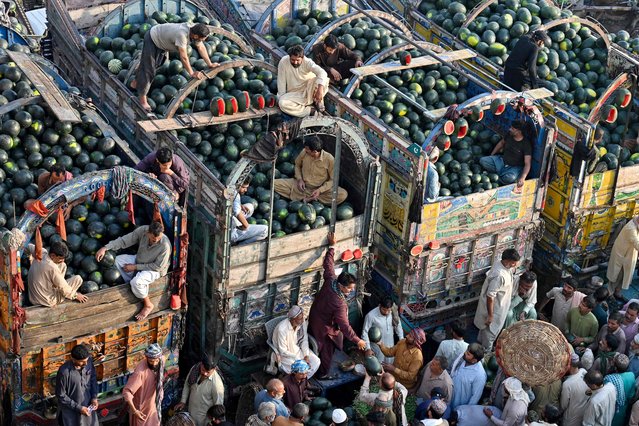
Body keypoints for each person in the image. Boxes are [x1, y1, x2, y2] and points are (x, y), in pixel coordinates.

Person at [308, 231, 367, 379]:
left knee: (313, 345)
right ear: (341, 286)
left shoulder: (331, 280)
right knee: (327, 351)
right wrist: (358, 340)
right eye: (349, 288)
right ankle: (322, 375)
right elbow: (345, 326)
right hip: (325, 329)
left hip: (314, 317)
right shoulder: (339, 304)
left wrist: (332, 247)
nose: (351, 290)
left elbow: (328, 264)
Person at [95, 221, 171, 321]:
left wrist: (135, 267)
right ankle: (132, 285)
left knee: (137, 282)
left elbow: (157, 267)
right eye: (153, 239)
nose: (156, 241)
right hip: (140, 260)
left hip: (154, 269)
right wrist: (105, 248)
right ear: (148, 233)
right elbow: (124, 241)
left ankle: (147, 304)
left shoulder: (165, 246)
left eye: (158, 239)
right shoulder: (143, 230)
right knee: (117, 261)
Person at [133, 23, 216, 111]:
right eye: (203, 38)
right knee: (149, 71)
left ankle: (136, 81)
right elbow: (183, 57)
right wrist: (191, 73)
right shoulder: (182, 35)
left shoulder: (194, 30)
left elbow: (201, 48)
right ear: (195, 36)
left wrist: (210, 64)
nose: (204, 40)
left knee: (158, 64)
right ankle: (142, 101)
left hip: (161, 42)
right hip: (152, 38)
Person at [274, 136, 347, 205]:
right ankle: (309, 198)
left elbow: (333, 180)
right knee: (274, 184)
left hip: (320, 191)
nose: (305, 150)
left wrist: (320, 190)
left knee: (343, 194)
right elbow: (297, 165)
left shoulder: (329, 159)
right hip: (301, 187)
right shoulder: (304, 152)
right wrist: (299, 179)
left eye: (307, 150)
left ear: (314, 151)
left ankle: (310, 198)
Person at [473, 248, 520, 351]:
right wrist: (490, 315)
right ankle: (484, 356)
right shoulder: (499, 276)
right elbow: (491, 296)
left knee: (483, 334)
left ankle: (478, 349)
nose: (515, 265)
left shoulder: (501, 264)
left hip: (501, 308)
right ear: (507, 261)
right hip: (495, 311)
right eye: (513, 263)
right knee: (489, 337)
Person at [27, 241, 87, 307]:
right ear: (53, 255)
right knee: (78, 279)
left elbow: (29, 246)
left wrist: (30, 258)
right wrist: (76, 295)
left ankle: (56, 283)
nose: (63, 260)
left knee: (63, 265)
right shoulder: (52, 268)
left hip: (33, 297)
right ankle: (58, 287)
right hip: (47, 300)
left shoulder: (41, 252)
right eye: (60, 258)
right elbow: (64, 288)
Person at [277, 45, 329, 117]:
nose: (295, 62)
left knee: (324, 80)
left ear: (302, 58)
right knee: (282, 103)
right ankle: (310, 111)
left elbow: (322, 72)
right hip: (295, 94)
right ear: (289, 57)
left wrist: (319, 90)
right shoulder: (283, 62)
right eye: (292, 60)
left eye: (297, 60)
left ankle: (318, 101)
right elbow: (281, 83)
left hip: (310, 92)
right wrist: (281, 99)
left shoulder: (307, 62)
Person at [174, 355, 224, 426]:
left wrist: (211, 423)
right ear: (201, 364)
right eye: (203, 370)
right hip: (190, 413)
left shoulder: (217, 385)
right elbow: (187, 385)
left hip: (203, 420)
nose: (205, 373)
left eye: (208, 372)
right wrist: (183, 401)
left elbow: (218, 408)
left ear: (214, 369)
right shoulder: (194, 370)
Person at [55, 344, 98, 426]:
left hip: (88, 409)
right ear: (73, 359)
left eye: (87, 360)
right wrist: (79, 408)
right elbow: (61, 395)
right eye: (82, 361)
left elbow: (93, 379)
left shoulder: (88, 363)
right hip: (70, 415)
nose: (85, 363)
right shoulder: (64, 372)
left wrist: (94, 397)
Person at [272, 305, 320, 377]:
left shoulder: (302, 323)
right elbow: (283, 351)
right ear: (293, 319)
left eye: (302, 318)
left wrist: (306, 355)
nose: (302, 320)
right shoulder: (282, 329)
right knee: (298, 368)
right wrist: (299, 359)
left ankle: (304, 380)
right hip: (285, 355)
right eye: (300, 319)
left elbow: (304, 340)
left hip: (298, 350)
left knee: (316, 361)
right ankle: (296, 381)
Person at [123, 343, 165, 426]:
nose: (154, 364)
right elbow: (127, 392)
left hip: (154, 407)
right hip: (142, 412)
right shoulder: (140, 372)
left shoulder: (161, 360)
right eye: (151, 361)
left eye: (156, 361)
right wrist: (135, 411)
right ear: (146, 358)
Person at [479, 121, 532, 186]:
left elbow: (527, 164)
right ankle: (499, 176)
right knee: (483, 161)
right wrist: (491, 155)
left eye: (512, 129)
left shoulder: (526, 144)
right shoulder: (509, 134)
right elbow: (501, 143)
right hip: (501, 161)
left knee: (510, 178)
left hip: (514, 168)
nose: (510, 129)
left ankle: (497, 178)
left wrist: (522, 178)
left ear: (519, 131)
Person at [607, 215, 639, 302]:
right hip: (622, 255)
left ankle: (617, 292)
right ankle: (609, 294)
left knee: (624, 275)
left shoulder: (636, 224)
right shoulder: (631, 228)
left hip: (629, 255)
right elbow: (637, 243)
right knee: (617, 276)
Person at [362, 297, 404, 363]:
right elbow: (365, 332)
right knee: (379, 364)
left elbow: (398, 326)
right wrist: (368, 348)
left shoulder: (393, 312)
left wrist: (401, 340)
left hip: (390, 343)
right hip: (377, 346)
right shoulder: (371, 316)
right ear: (379, 306)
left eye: (388, 310)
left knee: (390, 363)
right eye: (384, 310)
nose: (386, 312)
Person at [230, 177, 269, 245]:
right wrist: (246, 226)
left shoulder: (229, 188)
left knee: (250, 207)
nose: (246, 190)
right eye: (244, 187)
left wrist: (240, 205)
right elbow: (237, 212)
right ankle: (241, 246)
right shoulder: (235, 195)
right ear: (238, 185)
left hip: (230, 219)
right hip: (231, 232)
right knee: (265, 230)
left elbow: (234, 205)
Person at [449, 343, 487, 409]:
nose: (465, 353)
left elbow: (475, 398)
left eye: (468, 354)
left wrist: (463, 412)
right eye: (466, 351)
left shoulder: (480, 375)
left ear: (474, 360)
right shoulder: (463, 360)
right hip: (449, 399)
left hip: (458, 408)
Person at [603, 353, 636, 426]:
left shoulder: (609, 379)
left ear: (615, 367)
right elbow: (631, 396)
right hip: (623, 410)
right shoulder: (631, 375)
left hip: (610, 411)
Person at [560, 353, 589, 426]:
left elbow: (563, 405)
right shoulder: (584, 371)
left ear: (569, 366)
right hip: (584, 415)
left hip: (570, 419)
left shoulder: (567, 384)